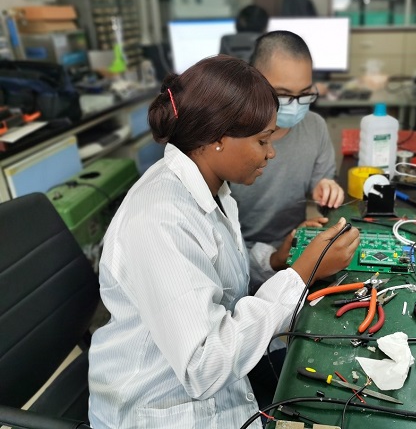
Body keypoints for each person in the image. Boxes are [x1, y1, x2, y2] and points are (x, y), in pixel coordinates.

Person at [87, 55, 359, 429]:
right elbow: (203, 364)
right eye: (263, 140)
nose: (271, 152)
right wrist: (300, 275)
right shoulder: (159, 220)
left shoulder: (212, 188)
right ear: (217, 138)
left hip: (220, 384)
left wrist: (276, 261)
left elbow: (218, 272)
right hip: (159, 407)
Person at [229, 30, 345, 293]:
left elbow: (321, 186)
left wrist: (325, 188)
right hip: (237, 261)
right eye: (282, 95)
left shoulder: (314, 126)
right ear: (254, 82)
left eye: (304, 94)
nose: (294, 105)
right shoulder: (230, 140)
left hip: (295, 250)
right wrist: (274, 259)